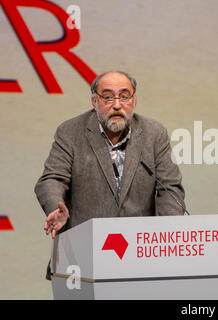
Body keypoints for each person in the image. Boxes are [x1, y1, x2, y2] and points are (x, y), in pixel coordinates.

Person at [34, 71, 186, 279]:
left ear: (134, 100)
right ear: (94, 101)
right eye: (108, 97)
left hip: (139, 258)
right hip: (83, 256)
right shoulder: (71, 132)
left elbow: (170, 188)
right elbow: (52, 179)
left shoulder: (154, 134)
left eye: (124, 96)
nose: (117, 105)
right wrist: (55, 207)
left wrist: (171, 231)